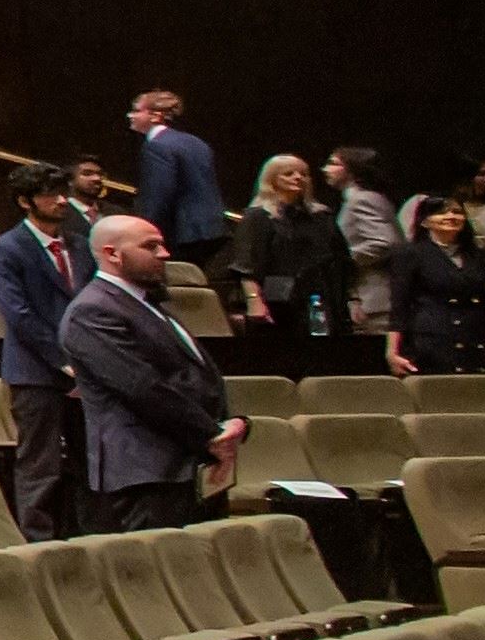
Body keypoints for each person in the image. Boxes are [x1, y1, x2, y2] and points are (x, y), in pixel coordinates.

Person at [66, 211, 239, 533]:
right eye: (150, 246)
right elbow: (142, 388)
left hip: (186, 464)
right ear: (112, 254)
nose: (165, 253)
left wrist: (233, 423)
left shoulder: (146, 304)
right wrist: (211, 435)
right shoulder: (92, 311)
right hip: (147, 473)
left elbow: (196, 376)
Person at [0, 165, 98, 541]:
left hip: (86, 368)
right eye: (51, 194)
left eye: (64, 192)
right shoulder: (7, 249)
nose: (62, 200)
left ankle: (89, 536)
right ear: (25, 201)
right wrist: (63, 361)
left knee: (89, 460)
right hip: (36, 372)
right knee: (40, 463)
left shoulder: (81, 245)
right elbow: (19, 315)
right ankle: (39, 542)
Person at [231, 154, 350, 372]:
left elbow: (342, 260)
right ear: (272, 179)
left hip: (319, 293)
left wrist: (353, 299)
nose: (298, 178)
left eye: (303, 174)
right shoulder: (258, 216)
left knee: (324, 358)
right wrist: (254, 301)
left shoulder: (322, 216)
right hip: (277, 294)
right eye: (289, 173)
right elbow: (245, 264)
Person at [390, 193, 485, 377]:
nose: (450, 216)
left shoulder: (482, 256)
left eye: (457, 212)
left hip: (477, 337)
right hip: (431, 338)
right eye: (441, 212)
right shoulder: (410, 254)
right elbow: (399, 305)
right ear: (424, 221)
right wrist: (392, 351)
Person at [124, 90, 228, 272]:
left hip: (180, 233)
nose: (130, 115)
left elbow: (158, 196)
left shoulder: (156, 146)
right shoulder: (196, 142)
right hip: (211, 231)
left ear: (156, 116)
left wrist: (145, 234)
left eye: (137, 110)